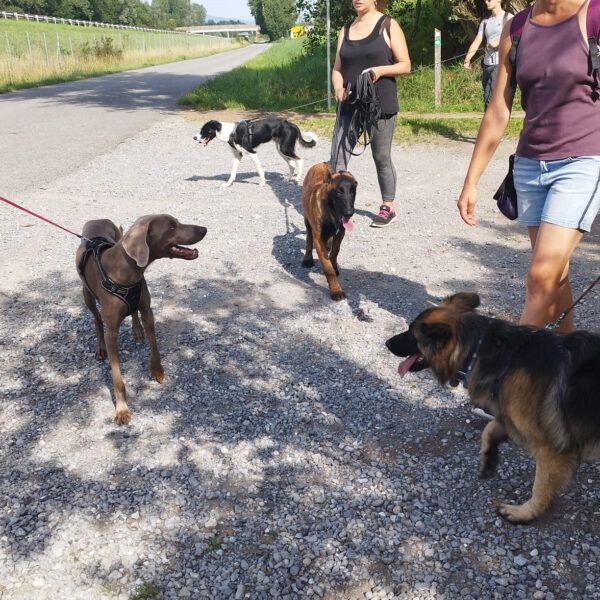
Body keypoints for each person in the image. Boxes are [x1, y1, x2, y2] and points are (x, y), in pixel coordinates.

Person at [457, 0, 600, 333]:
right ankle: (571, 364)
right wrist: (471, 181)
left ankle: (504, 376)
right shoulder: (517, 28)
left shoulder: (593, 15)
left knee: (540, 275)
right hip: (530, 167)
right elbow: (497, 111)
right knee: (554, 274)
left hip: (582, 163)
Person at [330, 0, 411, 228]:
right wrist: (338, 87)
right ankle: (338, 207)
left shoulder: (388, 25)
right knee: (338, 158)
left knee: (381, 157)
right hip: (349, 105)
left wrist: (380, 70)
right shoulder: (345, 30)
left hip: (380, 105)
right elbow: (337, 69)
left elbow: (405, 65)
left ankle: (388, 207)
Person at [463, 0, 512, 110]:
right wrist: (468, 57)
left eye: (489, 0)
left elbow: (514, 37)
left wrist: (499, 41)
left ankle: (490, 125)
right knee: (488, 97)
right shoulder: (485, 22)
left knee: (490, 99)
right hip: (487, 65)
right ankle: (496, 123)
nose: (486, 1)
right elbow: (477, 41)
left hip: (501, 65)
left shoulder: (509, 18)